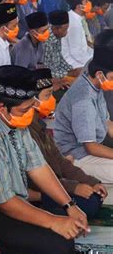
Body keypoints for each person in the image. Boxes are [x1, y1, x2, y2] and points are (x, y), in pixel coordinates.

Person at [0, 65, 90, 254]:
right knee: (58, 242)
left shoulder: (13, 119)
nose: (30, 113)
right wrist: (53, 222)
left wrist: (70, 205)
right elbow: (3, 202)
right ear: (2, 108)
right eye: (25, 109)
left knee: (71, 221)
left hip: (17, 201)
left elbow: (38, 166)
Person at [29, 68, 107, 219]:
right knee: (89, 203)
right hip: (42, 189)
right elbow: (38, 178)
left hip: (57, 182)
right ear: (32, 100)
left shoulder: (40, 126)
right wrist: (74, 187)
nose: (52, 100)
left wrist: (91, 181)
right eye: (47, 95)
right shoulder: (26, 131)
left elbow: (61, 162)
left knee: (94, 194)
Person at [54, 30, 113, 183]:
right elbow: (91, 147)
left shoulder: (95, 81)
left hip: (90, 148)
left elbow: (107, 123)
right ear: (100, 74)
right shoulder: (83, 99)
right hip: (76, 156)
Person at [61, 0, 93, 69]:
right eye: (86, 1)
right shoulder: (74, 24)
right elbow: (76, 53)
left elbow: (84, 47)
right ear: (79, 6)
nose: (89, 3)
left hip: (81, 58)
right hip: (73, 63)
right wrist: (93, 62)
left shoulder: (78, 18)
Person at [43, 10, 75, 84]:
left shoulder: (57, 36)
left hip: (58, 74)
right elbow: (46, 70)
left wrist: (70, 70)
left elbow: (59, 58)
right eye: (65, 29)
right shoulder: (47, 42)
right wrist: (65, 76)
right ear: (56, 29)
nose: (67, 32)